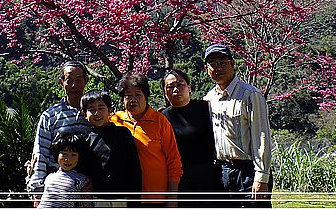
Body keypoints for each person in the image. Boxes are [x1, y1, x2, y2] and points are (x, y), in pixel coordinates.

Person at [203, 44, 272, 208]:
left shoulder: (250, 95)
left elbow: (261, 136)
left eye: (222, 62)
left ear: (232, 64)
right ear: (207, 69)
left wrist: (261, 177)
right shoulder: (209, 99)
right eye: (213, 64)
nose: (218, 68)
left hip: (248, 172)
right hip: (222, 173)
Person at [110, 73, 182, 207]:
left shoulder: (160, 121)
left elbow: (173, 161)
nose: (132, 99)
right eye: (128, 95)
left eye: (137, 94)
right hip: (125, 197)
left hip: (155, 197)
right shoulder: (114, 120)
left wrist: (172, 196)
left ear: (146, 97)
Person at [28, 61, 93, 206]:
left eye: (78, 80)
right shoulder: (50, 115)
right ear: (61, 82)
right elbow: (41, 153)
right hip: (57, 186)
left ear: (86, 81)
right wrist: (37, 190)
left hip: (87, 186)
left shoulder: (94, 114)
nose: (74, 85)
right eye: (69, 80)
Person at [160, 69, 223, 207]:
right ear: (165, 93)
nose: (176, 89)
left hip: (210, 178)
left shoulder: (207, 108)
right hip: (181, 182)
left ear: (189, 87)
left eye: (180, 84)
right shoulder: (162, 118)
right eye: (170, 87)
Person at [80, 89, 142, 207]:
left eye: (101, 108)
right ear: (84, 114)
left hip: (123, 198)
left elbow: (134, 167)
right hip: (97, 199)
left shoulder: (123, 134)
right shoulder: (85, 140)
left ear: (110, 110)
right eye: (91, 110)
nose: (97, 113)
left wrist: (135, 198)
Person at [38, 133, 92, 208]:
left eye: (73, 155)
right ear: (57, 154)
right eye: (64, 154)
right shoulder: (49, 177)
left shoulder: (83, 180)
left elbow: (86, 205)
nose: (68, 159)